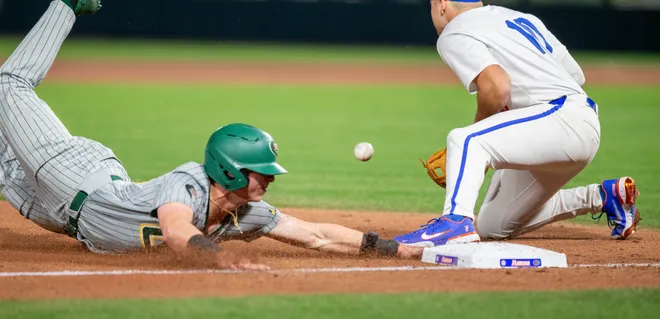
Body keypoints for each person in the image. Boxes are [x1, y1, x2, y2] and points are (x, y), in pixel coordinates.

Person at [0, 0, 421, 270]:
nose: (270, 179)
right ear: (229, 169)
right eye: (260, 171)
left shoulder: (243, 214)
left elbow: (315, 234)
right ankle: (67, 5)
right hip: (71, 177)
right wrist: (222, 262)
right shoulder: (187, 185)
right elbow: (178, 232)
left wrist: (391, 249)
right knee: (10, 84)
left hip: (59, 215)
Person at [393, 0, 641, 247]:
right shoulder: (519, 18)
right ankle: (604, 197)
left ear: (441, 3)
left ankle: (454, 223)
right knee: (494, 225)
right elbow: (576, 75)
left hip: (562, 120)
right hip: (577, 121)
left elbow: (497, 87)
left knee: (466, 140)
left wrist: (480, 135)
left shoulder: (454, 30)